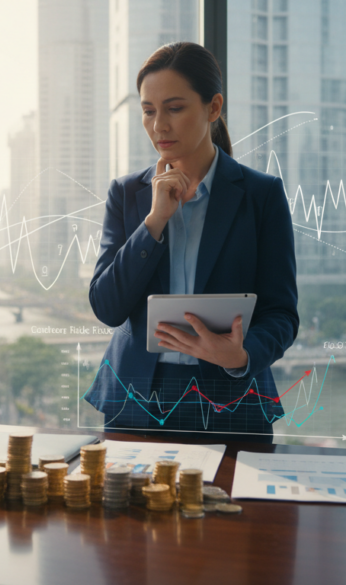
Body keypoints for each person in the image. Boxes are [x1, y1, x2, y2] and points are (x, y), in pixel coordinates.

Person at [86, 42, 298, 442]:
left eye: (174, 108)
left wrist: (241, 355)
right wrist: (154, 221)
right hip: (136, 398)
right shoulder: (127, 194)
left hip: (233, 397)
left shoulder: (261, 195)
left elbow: (282, 313)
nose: (159, 126)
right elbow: (107, 307)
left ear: (213, 108)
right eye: (149, 111)